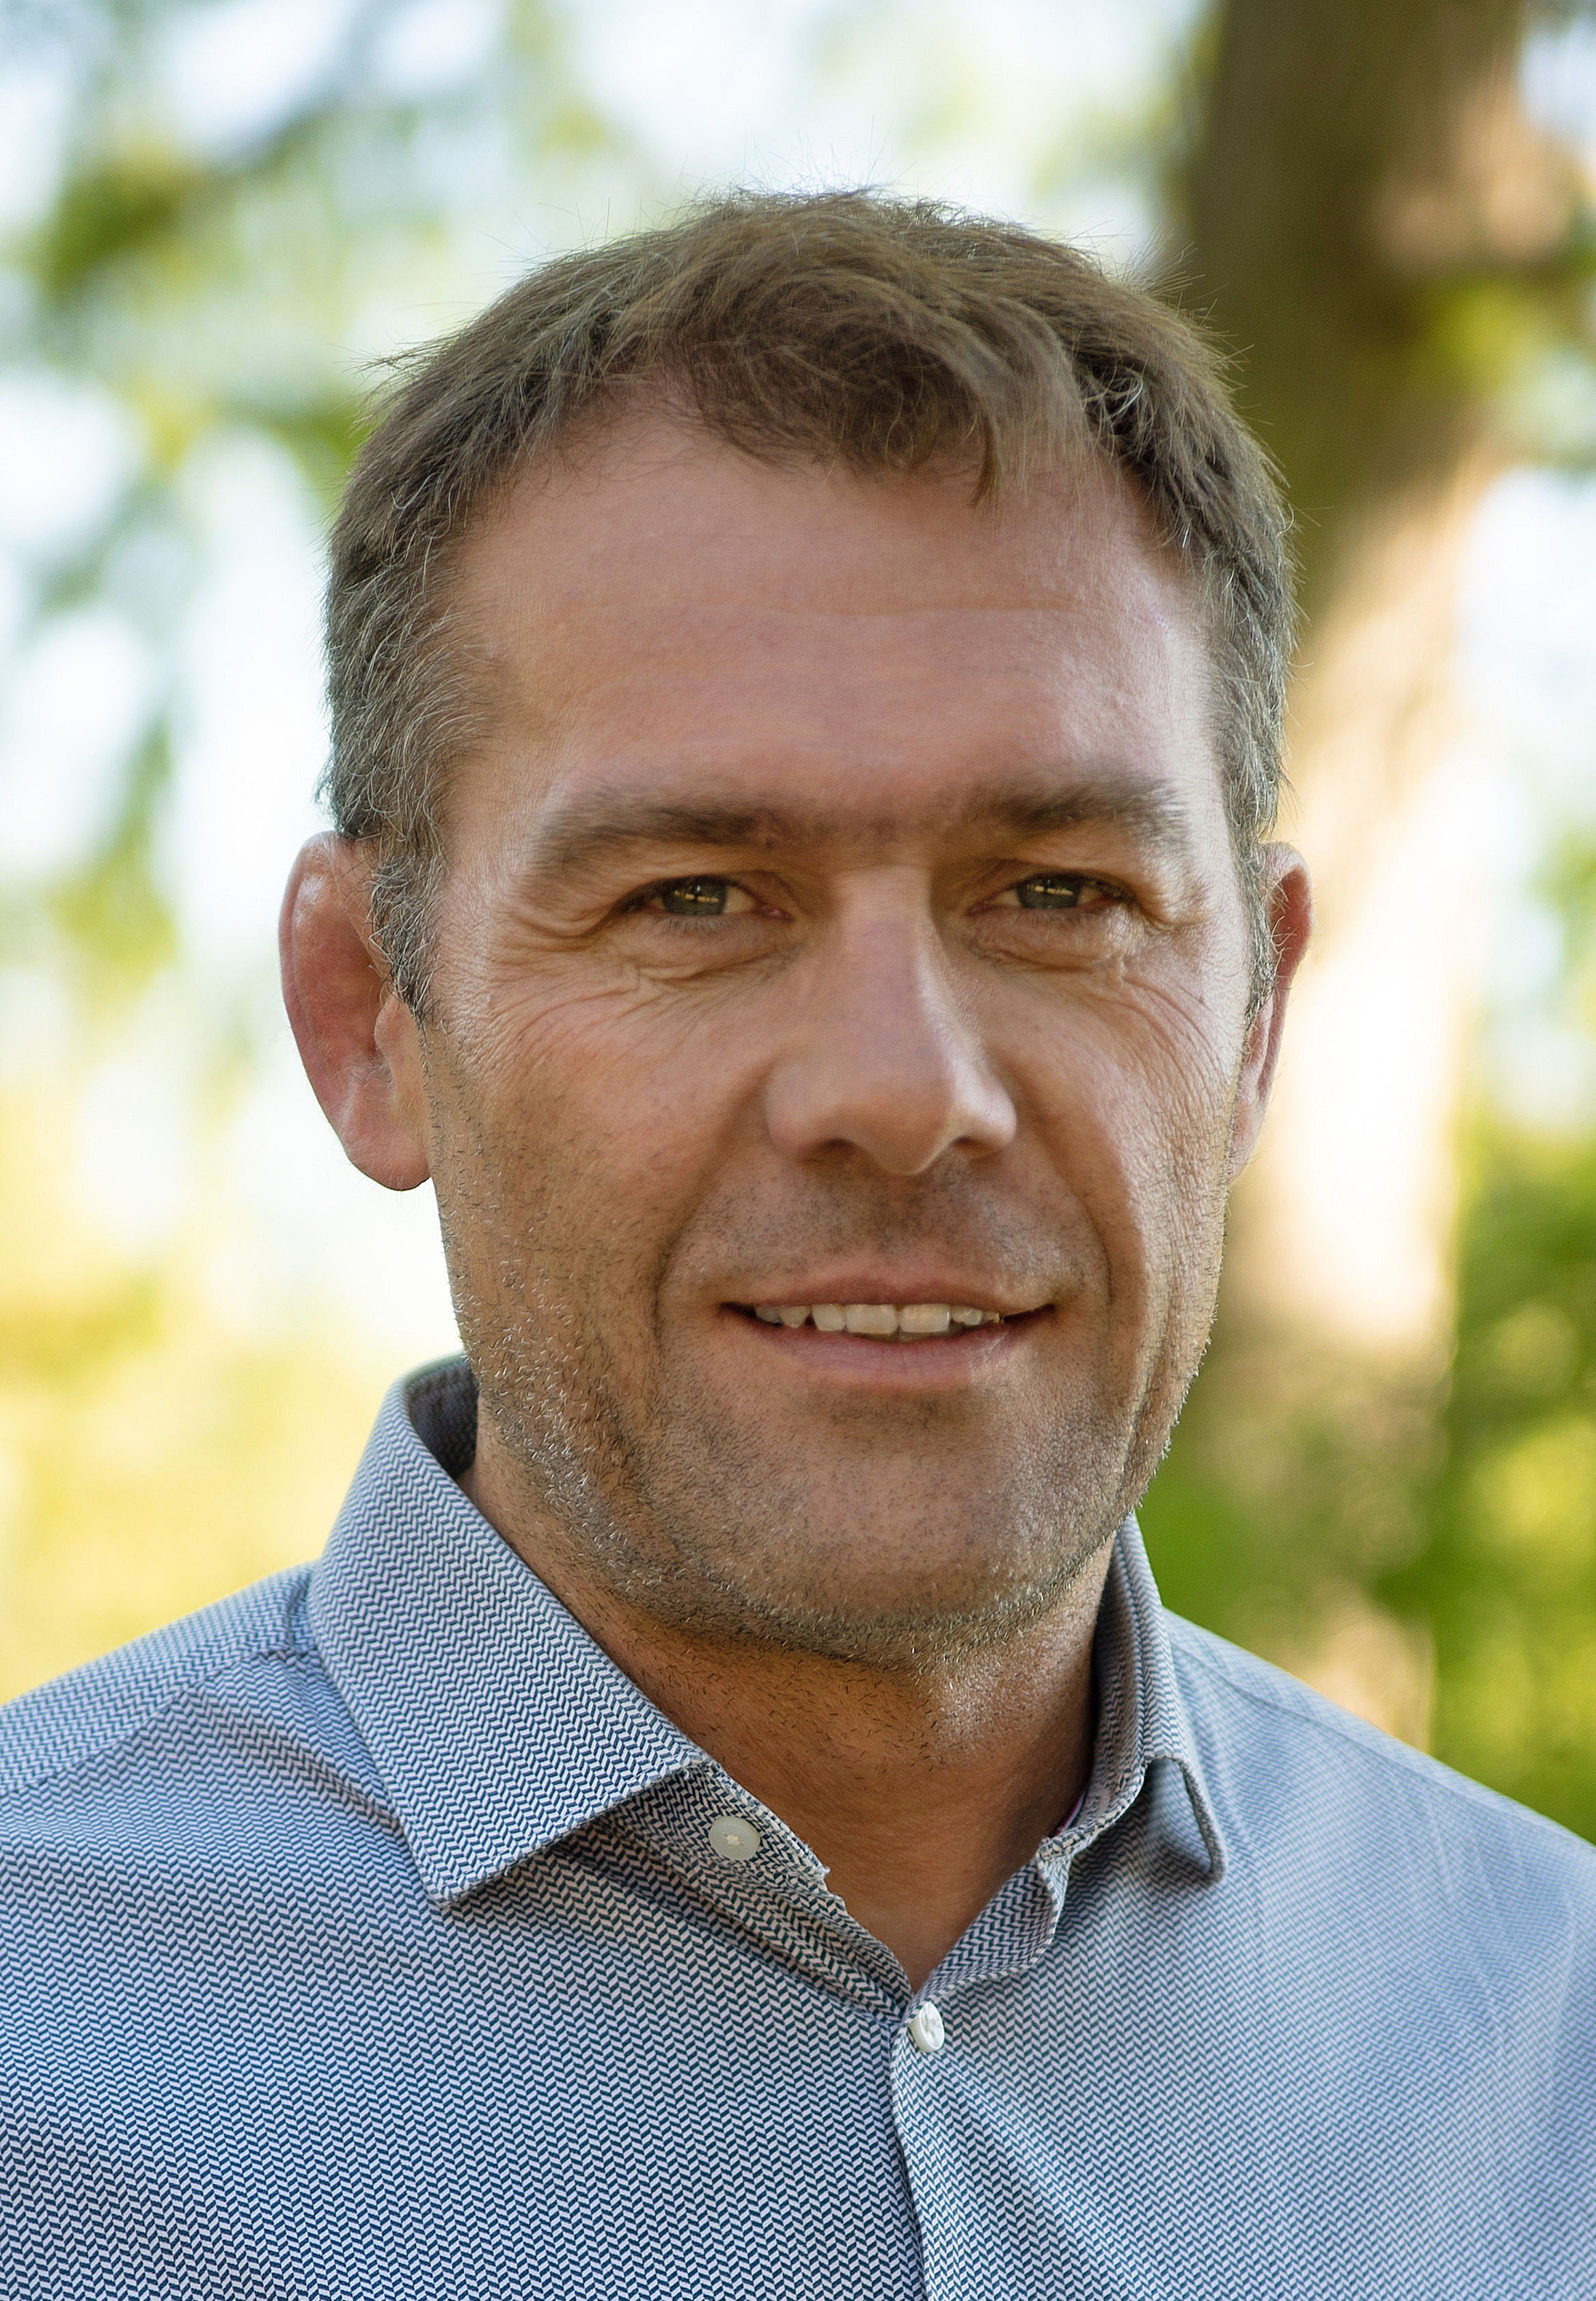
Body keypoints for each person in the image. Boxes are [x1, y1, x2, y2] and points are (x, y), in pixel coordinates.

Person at [1, 191, 1591, 2301]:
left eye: (1059, 894)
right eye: (692, 896)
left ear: (1256, 1020)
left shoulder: (1550, 2046)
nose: (903, 1090)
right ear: (367, 1016)